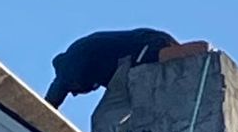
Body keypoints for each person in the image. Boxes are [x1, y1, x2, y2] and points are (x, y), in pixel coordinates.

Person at [45, 29, 179, 108]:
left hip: (143, 49)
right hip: (145, 46)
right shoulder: (85, 58)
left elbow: (51, 100)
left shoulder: (69, 70)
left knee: (106, 121)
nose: (75, 95)